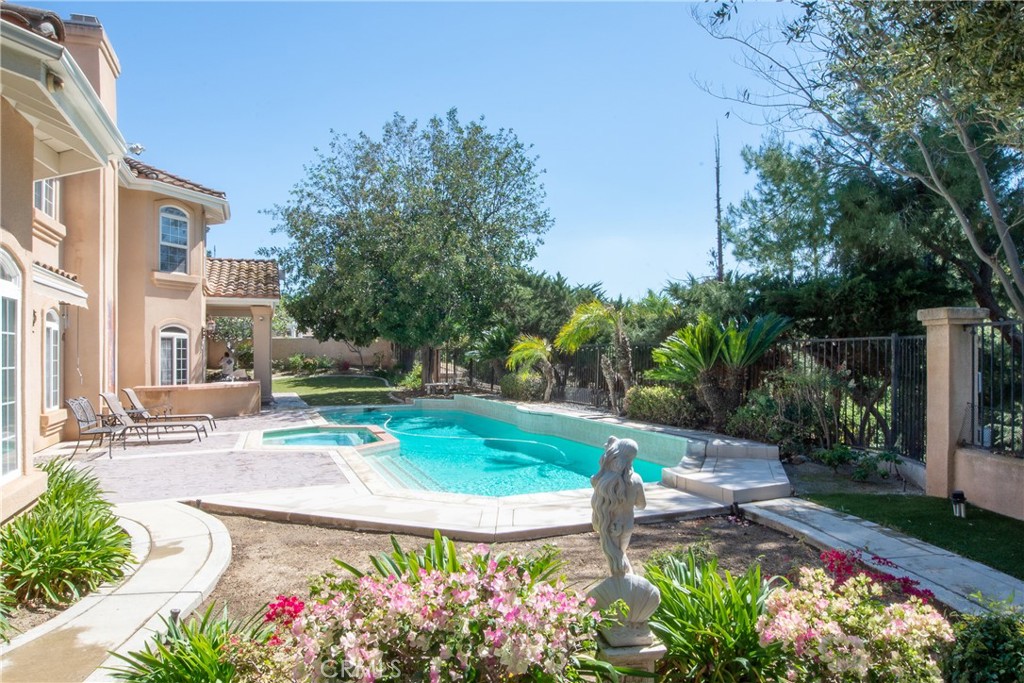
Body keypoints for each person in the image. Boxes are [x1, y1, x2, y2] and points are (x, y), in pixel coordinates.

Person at [591, 436, 647, 577]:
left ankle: (623, 588)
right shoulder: (636, 480)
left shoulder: (602, 480)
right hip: (626, 525)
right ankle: (627, 585)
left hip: (608, 525)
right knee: (620, 555)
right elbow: (641, 505)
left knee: (615, 560)